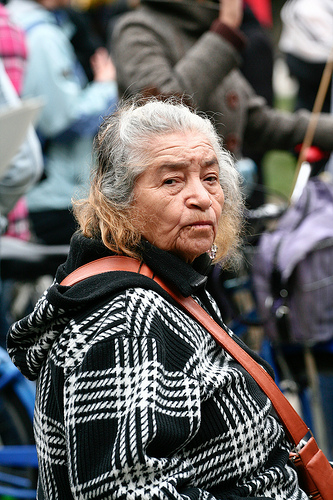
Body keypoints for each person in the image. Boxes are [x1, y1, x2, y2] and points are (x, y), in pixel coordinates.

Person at [7, 98, 309, 499]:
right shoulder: (131, 318)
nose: (201, 197)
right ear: (120, 202)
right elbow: (122, 492)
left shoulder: (169, 284)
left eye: (211, 177)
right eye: (171, 181)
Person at [111, 0, 333, 165]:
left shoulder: (204, 29)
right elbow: (163, 112)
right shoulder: (136, 30)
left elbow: (257, 122)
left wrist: (326, 129)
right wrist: (225, 31)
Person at [7, 0, 118, 246]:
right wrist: (105, 85)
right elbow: (62, 120)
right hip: (53, 195)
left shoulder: (16, 22)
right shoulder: (42, 35)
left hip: (29, 190)